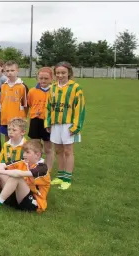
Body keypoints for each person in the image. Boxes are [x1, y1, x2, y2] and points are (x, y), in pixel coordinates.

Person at [0, 140, 49, 215]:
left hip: (33, 204)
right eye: (24, 152)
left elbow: (18, 174)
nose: (24, 155)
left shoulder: (42, 168)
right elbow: (1, 165)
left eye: (27, 152)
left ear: (37, 155)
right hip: (17, 199)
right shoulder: (23, 161)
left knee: (16, 177)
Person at [46, 61, 85, 190]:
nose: (60, 75)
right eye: (58, 73)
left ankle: (67, 178)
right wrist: (48, 122)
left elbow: (80, 108)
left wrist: (76, 126)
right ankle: (60, 175)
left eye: (63, 72)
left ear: (69, 73)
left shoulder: (75, 88)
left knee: (68, 151)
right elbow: (48, 107)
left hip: (69, 124)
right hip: (56, 124)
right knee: (58, 150)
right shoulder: (52, 88)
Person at [28, 67, 55, 176]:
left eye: (46, 78)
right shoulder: (32, 91)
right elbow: (30, 104)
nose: (43, 81)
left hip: (48, 122)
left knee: (48, 148)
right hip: (35, 121)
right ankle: (34, 167)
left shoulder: (54, 91)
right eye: (41, 78)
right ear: (37, 78)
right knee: (35, 146)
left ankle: (47, 170)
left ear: (51, 78)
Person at [0, 60, 28, 142]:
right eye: (7, 71)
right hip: (6, 119)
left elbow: (25, 105)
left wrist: (23, 118)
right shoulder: (3, 86)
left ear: (17, 71)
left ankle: (19, 154)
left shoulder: (22, 86)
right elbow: (1, 102)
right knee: (7, 140)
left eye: (12, 70)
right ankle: (7, 154)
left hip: (17, 119)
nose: (10, 73)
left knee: (18, 139)